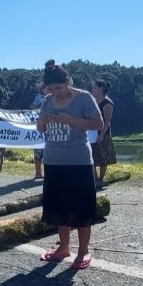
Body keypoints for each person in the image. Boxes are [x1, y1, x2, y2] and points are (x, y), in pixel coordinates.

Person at [37, 60, 103, 270]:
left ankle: (83, 250)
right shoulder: (47, 100)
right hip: (54, 161)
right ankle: (63, 247)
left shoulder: (84, 97)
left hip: (79, 161)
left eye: (58, 88)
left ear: (67, 82)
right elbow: (39, 128)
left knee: (82, 208)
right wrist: (45, 121)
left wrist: (71, 120)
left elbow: (98, 124)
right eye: (51, 89)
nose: (55, 92)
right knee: (58, 208)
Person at [91, 79, 117, 188]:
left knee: (103, 158)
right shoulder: (92, 101)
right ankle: (94, 179)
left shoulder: (107, 103)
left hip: (103, 134)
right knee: (91, 157)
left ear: (101, 89)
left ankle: (100, 179)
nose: (92, 89)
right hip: (91, 133)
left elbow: (107, 121)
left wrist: (101, 135)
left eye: (94, 87)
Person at [31, 85, 47, 179]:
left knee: (48, 153)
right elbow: (32, 108)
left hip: (50, 129)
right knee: (38, 153)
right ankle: (38, 173)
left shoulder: (54, 97)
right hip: (39, 129)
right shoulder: (38, 98)